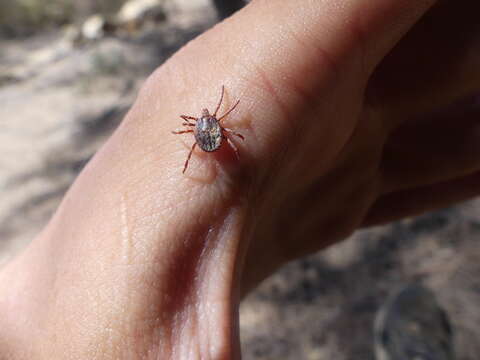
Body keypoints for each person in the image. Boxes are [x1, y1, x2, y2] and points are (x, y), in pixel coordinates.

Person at [0, 0, 479, 358]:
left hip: (212, 150)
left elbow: (206, 134)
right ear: (208, 123)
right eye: (207, 120)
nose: (208, 122)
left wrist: (206, 139)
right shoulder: (214, 130)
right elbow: (213, 131)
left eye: (208, 119)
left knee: (204, 149)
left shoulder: (205, 131)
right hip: (215, 149)